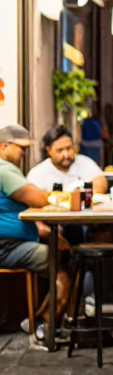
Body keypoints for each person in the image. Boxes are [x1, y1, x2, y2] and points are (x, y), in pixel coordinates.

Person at [0, 124, 72, 331]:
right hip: (6, 246)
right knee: (59, 260)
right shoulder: (4, 170)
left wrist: (46, 231)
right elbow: (38, 198)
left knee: (62, 247)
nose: (24, 152)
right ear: (5, 146)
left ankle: (48, 318)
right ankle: (43, 325)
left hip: (13, 242)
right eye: (21, 147)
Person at [28, 125, 108, 195]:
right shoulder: (37, 173)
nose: (66, 155)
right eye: (60, 150)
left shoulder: (84, 162)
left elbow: (101, 181)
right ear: (49, 151)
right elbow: (34, 197)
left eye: (68, 148)